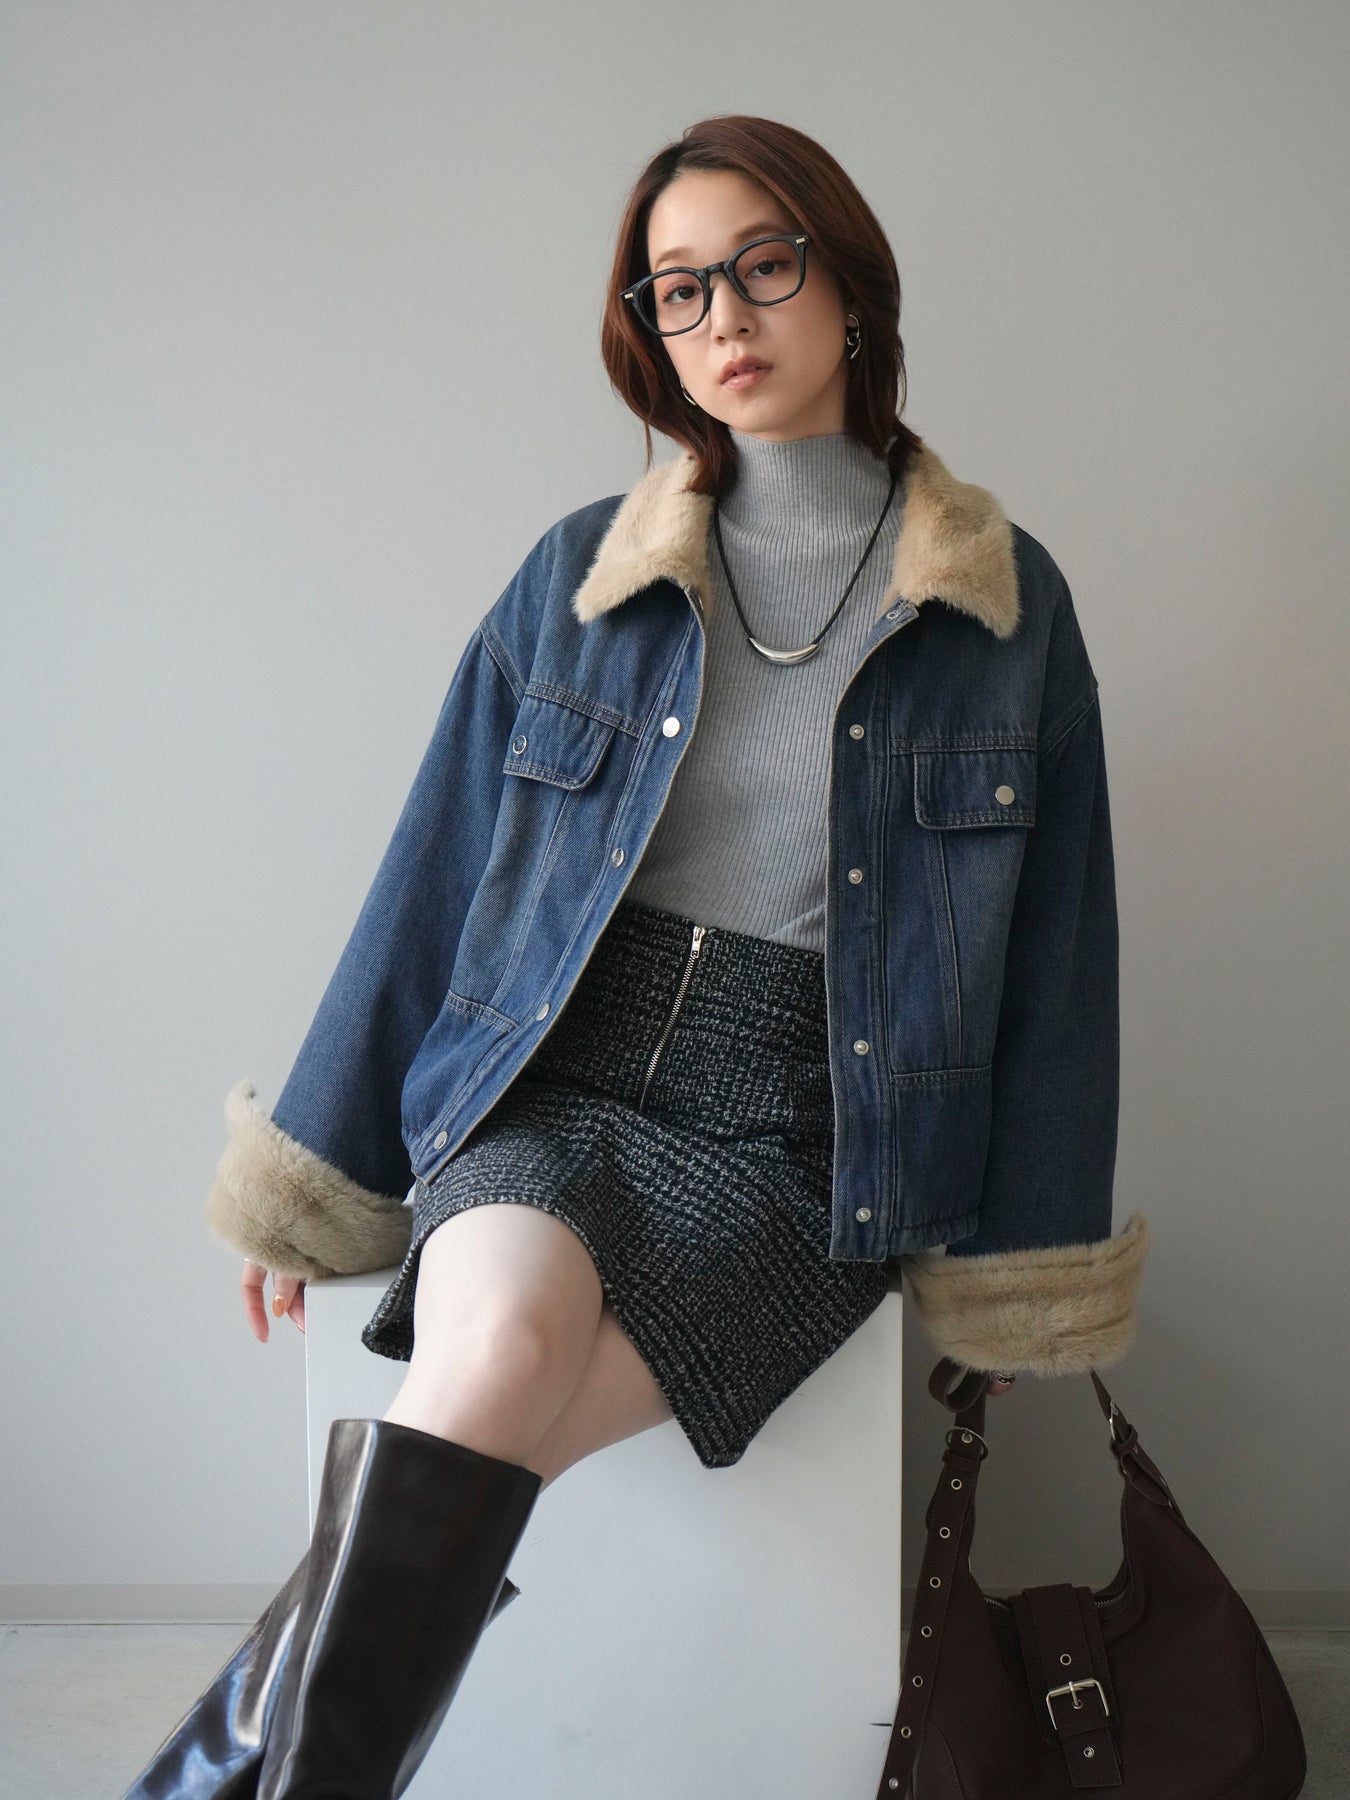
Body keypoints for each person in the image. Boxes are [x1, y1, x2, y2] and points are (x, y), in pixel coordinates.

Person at [122, 113, 1148, 1798]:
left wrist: (1019, 1272)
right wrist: (314, 1175)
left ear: (848, 286)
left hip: (810, 1137)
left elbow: (1055, 959)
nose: (723, 317)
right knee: (498, 1359)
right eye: (677, 289)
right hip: (558, 1075)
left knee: (478, 1433)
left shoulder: (999, 607)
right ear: (648, 329)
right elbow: (433, 878)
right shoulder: (578, 578)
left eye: (762, 266)